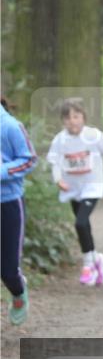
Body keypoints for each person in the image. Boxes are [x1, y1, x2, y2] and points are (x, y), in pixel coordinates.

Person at [46, 98, 103, 287]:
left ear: (83, 117)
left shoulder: (93, 135)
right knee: (83, 225)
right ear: (63, 121)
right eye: (68, 117)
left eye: (76, 116)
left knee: (80, 222)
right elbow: (54, 161)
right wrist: (58, 180)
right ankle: (97, 259)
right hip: (73, 188)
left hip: (92, 186)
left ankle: (88, 264)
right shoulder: (60, 140)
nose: (72, 121)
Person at [1, 100, 36, 325]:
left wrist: (2, 171)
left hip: (8, 204)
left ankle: (17, 291)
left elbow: (29, 159)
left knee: (8, 269)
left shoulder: (10, 126)